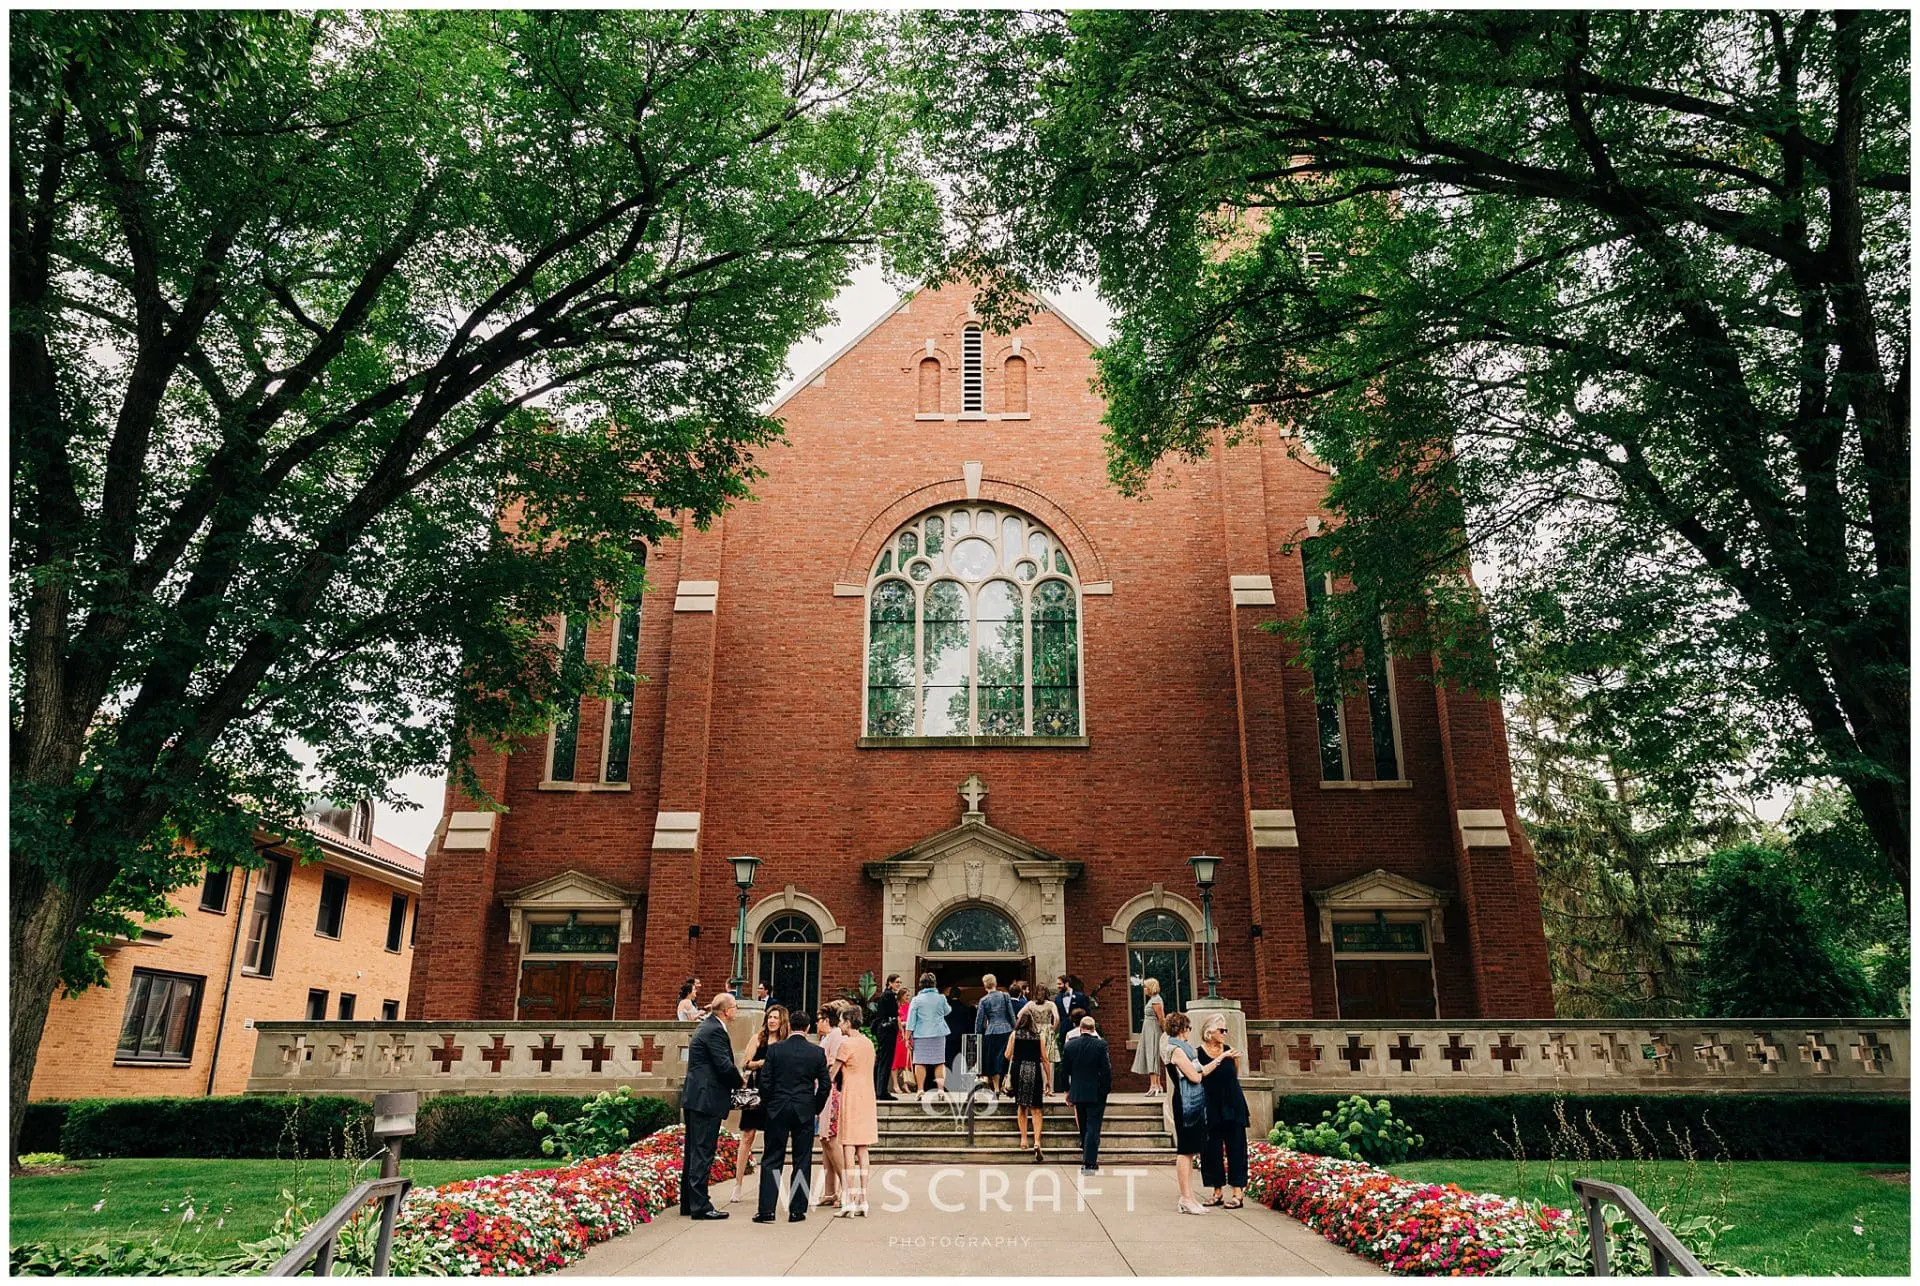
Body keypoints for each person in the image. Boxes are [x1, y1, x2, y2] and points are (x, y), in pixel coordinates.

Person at [752, 1007, 830, 1224]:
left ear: (790, 1026)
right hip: (804, 1109)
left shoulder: (775, 1050)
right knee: (802, 1159)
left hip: (778, 1107)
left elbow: (765, 1081)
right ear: (807, 1027)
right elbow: (825, 1084)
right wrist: (815, 1107)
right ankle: (797, 1210)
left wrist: (770, 1103)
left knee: (772, 1158)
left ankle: (767, 1210)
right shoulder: (816, 1052)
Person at [680, 991, 742, 1219]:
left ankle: (689, 1203)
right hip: (706, 1099)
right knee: (702, 1152)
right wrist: (740, 1082)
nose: (736, 1010)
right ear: (726, 1011)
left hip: (697, 1097)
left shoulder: (706, 1027)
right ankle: (701, 1206)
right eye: (734, 1006)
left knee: (694, 1152)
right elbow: (724, 1066)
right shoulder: (715, 1030)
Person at [1195, 1013, 1250, 1209]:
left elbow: (1234, 1075)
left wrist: (1227, 1057)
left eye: (1226, 1030)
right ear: (1210, 1032)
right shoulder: (1198, 1053)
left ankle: (1237, 1193)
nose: (1225, 1033)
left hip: (1232, 1103)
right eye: (1221, 1030)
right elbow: (1200, 1074)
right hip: (1210, 1104)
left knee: (1236, 1146)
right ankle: (1216, 1191)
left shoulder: (1230, 1051)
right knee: (1211, 1149)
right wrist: (1221, 1057)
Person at [830, 1002, 879, 1216]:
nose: (839, 1025)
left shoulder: (846, 1044)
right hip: (867, 1095)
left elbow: (833, 1074)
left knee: (848, 1147)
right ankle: (863, 1199)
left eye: (841, 1021)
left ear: (848, 1022)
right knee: (863, 1148)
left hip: (851, 1095)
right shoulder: (868, 1043)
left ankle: (849, 1199)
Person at [726, 1003, 777, 1203]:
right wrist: (762, 1062)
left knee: (773, 1138)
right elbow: (745, 1063)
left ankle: (768, 1186)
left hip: (775, 1094)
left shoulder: (784, 1041)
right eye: (770, 1017)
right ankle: (737, 1185)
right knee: (747, 1136)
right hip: (756, 1092)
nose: (772, 1020)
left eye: (775, 1017)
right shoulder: (758, 1038)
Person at [1163, 1012, 1208, 1215]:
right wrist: (1203, 1071)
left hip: (1190, 1101)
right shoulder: (1176, 1050)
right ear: (1181, 1029)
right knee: (1185, 1150)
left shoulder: (1184, 1049)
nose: (1190, 1031)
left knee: (1190, 1151)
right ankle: (1185, 1197)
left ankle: (1190, 1197)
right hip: (1185, 1102)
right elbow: (1195, 1077)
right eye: (1188, 1028)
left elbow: (1198, 1072)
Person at [1057, 1015, 1112, 1173]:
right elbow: (1106, 1070)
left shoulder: (1070, 1046)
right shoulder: (1101, 1045)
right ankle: (1089, 1163)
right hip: (1096, 1092)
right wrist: (1106, 1089)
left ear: (1080, 1029)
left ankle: (1087, 1155)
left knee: (1083, 1126)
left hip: (1078, 1090)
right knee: (1093, 1126)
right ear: (1093, 1029)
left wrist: (1067, 1090)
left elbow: (1064, 1071)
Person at [1005, 1003, 1051, 1162]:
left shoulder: (1014, 1035)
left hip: (1018, 1070)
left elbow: (1007, 1055)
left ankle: (1024, 1139)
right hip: (1034, 1071)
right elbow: (1045, 1059)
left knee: (1022, 1106)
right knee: (1036, 1109)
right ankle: (1037, 1142)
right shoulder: (1039, 1036)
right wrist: (1048, 1080)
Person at [814, 1005, 846, 1208]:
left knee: (831, 1139)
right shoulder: (828, 1037)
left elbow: (834, 1064)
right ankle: (830, 1190)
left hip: (831, 1090)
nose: (817, 1023)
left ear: (826, 1020)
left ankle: (845, 1187)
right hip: (823, 1089)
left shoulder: (836, 1036)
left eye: (819, 1019)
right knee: (825, 1141)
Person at [903, 972, 951, 1094]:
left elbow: (911, 1020)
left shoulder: (916, 1000)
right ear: (934, 984)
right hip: (938, 1034)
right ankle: (940, 1090)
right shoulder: (941, 998)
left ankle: (920, 1089)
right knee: (939, 1062)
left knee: (920, 1062)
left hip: (921, 1035)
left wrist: (907, 1037)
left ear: (921, 984)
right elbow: (947, 1011)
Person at [973, 973, 1017, 1095]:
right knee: (1004, 1059)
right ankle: (1004, 1085)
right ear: (995, 983)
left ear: (985, 985)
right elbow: (1011, 1015)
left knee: (992, 1061)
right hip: (1006, 1030)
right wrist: (1015, 1029)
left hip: (991, 1031)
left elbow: (979, 1020)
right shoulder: (1005, 996)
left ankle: (996, 1088)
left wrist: (977, 1035)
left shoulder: (983, 1000)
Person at [869, 974, 902, 1101]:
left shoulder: (885, 995)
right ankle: (882, 1091)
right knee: (886, 1060)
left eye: (899, 982)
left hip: (882, 1030)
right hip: (887, 1031)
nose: (898, 984)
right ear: (890, 983)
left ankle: (877, 1089)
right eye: (896, 982)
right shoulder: (889, 996)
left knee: (881, 1059)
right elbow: (893, 1015)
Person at [1132, 977, 1168, 1096]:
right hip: (1148, 1030)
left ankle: (1154, 1085)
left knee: (1152, 1055)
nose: (1144, 989)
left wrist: (1165, 1032)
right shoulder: (1153, 999)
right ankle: (1157, 1084)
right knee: (1151, 1055)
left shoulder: (1156, 1000)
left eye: (1145, 987)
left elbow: (1161, 1018)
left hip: (1153, 1030)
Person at [943, 984, 975, 1071]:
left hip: (948, 1035)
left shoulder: (945, 1008)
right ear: (959, 995)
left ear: (950, 995)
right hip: (961, 1036)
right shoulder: (965, 1008)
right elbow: (969, 1024)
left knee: (948, 1058)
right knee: (959, 1057)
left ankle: (949, 1075)